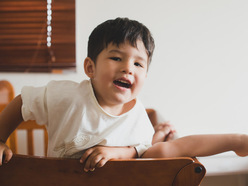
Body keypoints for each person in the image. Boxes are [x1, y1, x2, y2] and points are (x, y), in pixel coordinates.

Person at [0, 18, 247, 173]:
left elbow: (140, 149)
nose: (128, 68)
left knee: (162, 151)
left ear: (145, 76)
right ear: (90, 68)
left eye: (139, 64)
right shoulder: (67, 96)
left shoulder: (138, 113)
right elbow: (23, 102)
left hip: (116, 181)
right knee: (157, 148)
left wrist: (117, 152)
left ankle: (237, 141)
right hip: (64, 181)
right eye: (116, 58)